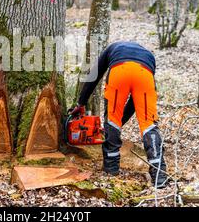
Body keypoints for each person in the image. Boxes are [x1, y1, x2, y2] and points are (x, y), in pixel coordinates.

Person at [70, 41, 168, 188]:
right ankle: (159, 175)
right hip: (144, 75)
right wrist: (120, 122)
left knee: (112, 120)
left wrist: (81, 103)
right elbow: (134, 104)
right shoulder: (149, 55)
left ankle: (111, 169)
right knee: (149, 124)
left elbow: (93, 77)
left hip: (119, 71)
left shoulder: (112, 48)